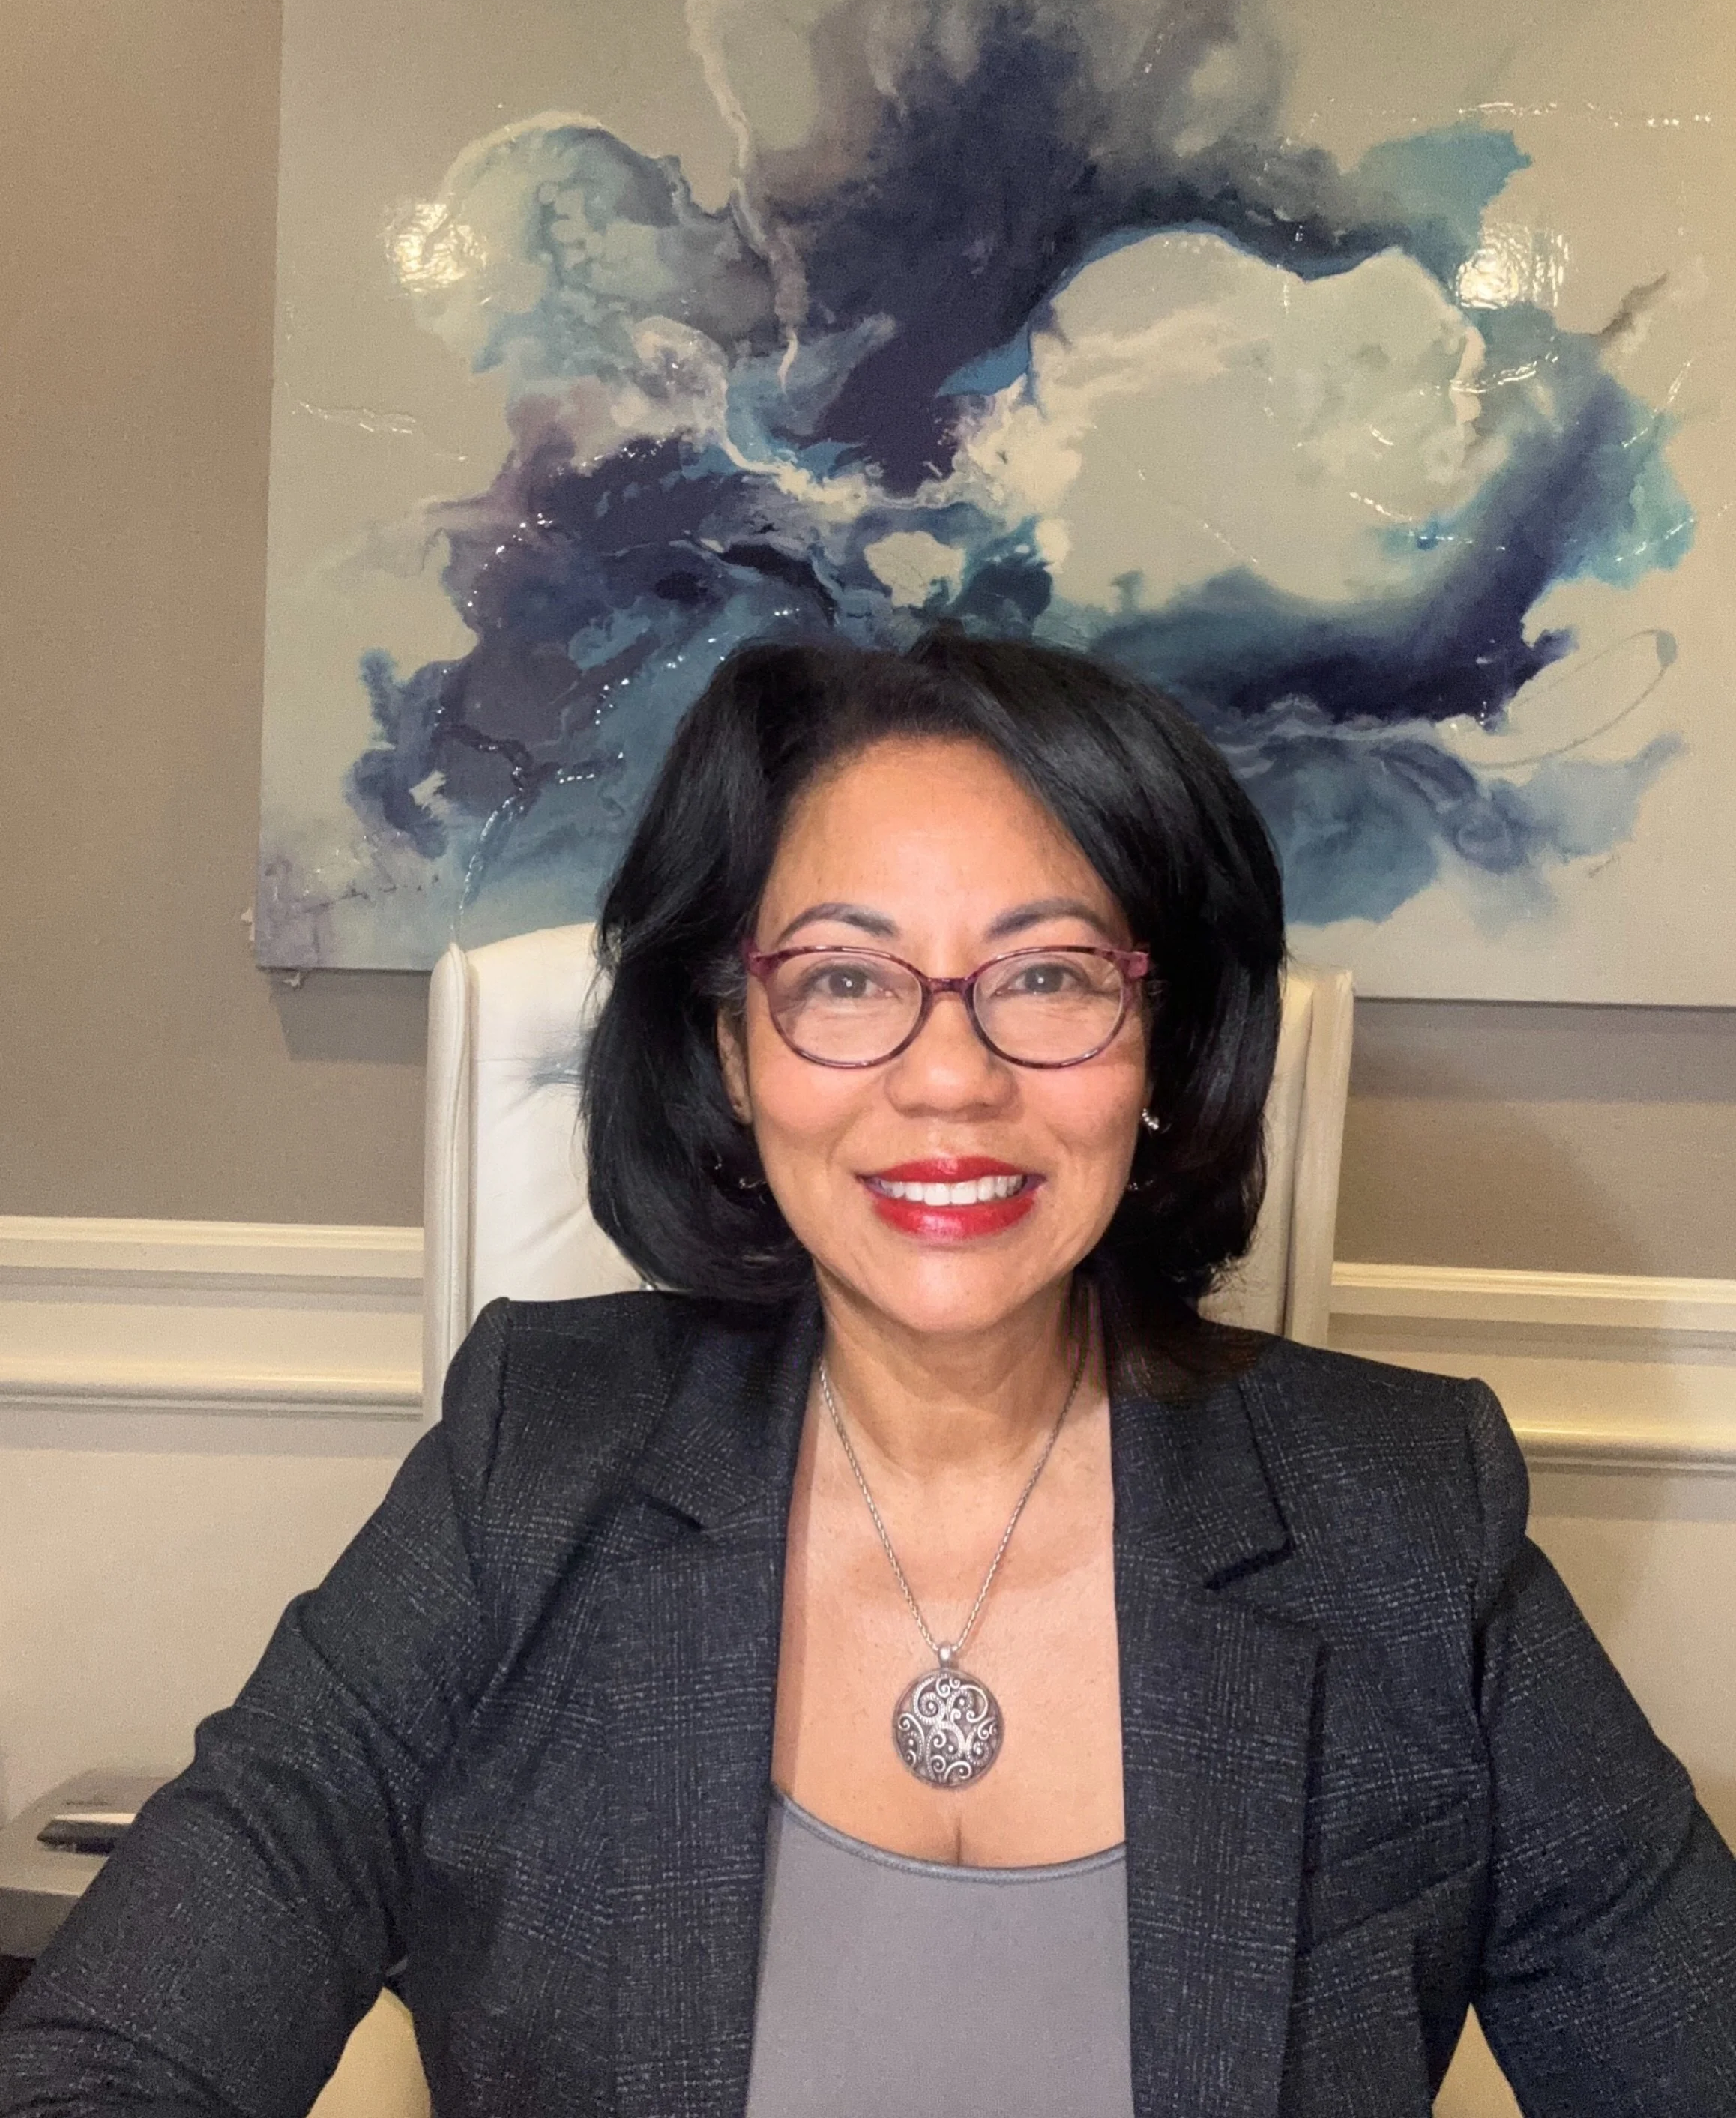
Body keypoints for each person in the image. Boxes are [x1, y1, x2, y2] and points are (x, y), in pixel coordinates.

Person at [3, 630, 1734, 2118]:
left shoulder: (1408, 1508)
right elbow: (108, 2056)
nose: (950, 1077)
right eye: (845, 978)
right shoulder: (530, 1459)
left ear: (1163, 1040)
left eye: (1047, 975)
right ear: (732, 1045)